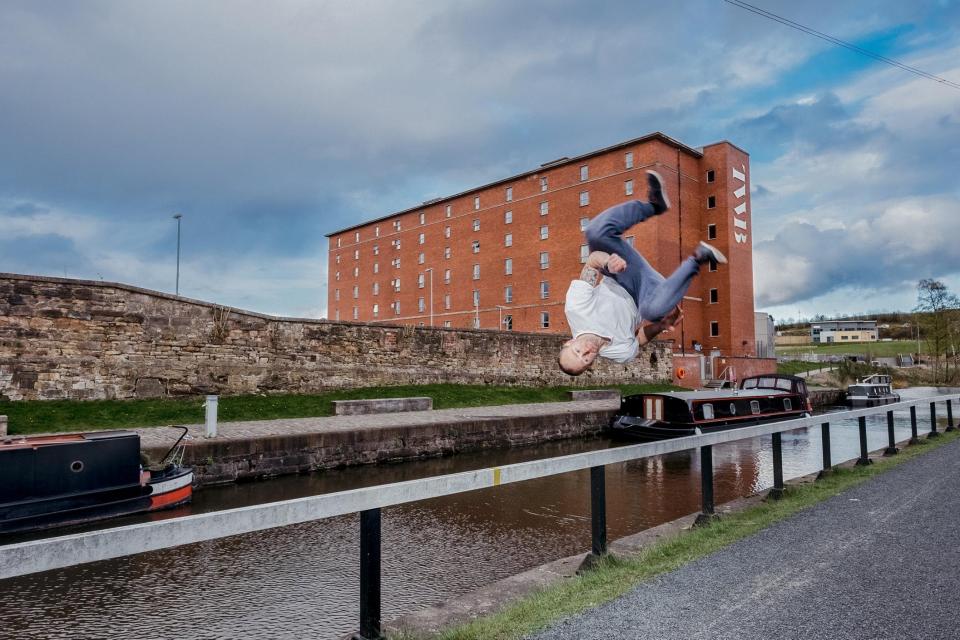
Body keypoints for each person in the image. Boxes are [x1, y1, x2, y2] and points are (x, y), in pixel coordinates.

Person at [558, 170, 727, 376]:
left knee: (594, 232)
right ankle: (699, 257)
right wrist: (661, 326)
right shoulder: (618, 353)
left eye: (577, 351)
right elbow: (639, 339)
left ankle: (654, 205)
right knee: (651, 312)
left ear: (569, 342)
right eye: (585, 359)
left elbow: (592, 262)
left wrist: (608, 263)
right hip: (644, 293)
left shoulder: (576, 311)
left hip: (620, 272)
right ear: (590, 364)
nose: (586, 351)